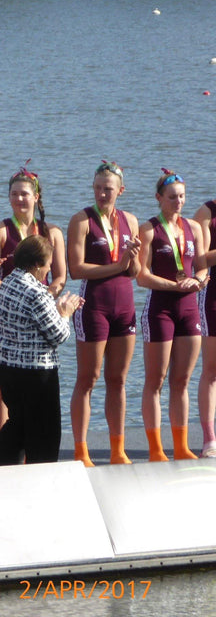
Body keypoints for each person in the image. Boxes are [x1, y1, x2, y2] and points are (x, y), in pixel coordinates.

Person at [0, 162, 66, 441]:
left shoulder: (52, 232)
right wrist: (19, 296)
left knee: (36, 379)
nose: (19, 199)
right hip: (6, 312)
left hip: (43, 309)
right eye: (14, 194)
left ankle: (30, 444)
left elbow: (61, 276)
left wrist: (45, 297)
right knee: (1, 385)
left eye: (25, 194)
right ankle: (1, 443)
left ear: (36, 197)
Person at [67, 161, 141, 467]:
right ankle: (81, 450)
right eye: (97, 187)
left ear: (120, 191)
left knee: (118, 379)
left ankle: (117, 449)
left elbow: (135, 272)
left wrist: (132, 259)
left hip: (124, 306)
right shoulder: (81, 220)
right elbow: (76, 269)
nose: (101, 194)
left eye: (108, 189)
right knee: (88, 378)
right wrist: (118, 265)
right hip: (93, 306)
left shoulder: (130, 221)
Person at [0, 235, 82, 466]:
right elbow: (59, 335)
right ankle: (40, 478)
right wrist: (65, 313)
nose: (49, 269)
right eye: (48, 264)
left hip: (5, 368)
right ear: (38, 265)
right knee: (44, 436)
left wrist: (54, 309)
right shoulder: (37, 293)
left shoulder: (8, 282)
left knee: (18, 426)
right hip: (34, 374)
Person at [138, 169, 204, 462]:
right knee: (156, 379)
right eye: (172, 197)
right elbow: (142, 276)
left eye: (182, 196)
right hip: (160, 309)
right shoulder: (149, 229)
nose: (178, 202)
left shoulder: (194, 228)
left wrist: (198, 280)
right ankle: (155, 448)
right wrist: (174, 286)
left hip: (190, 308)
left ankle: (181, 446)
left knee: (182, 380)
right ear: (159, 198)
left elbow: (202, 265)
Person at [194, 196, 216, 458]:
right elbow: (199, 260)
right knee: (212, 369)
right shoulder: (206, 212)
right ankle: (210, 439)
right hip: (213, 295)